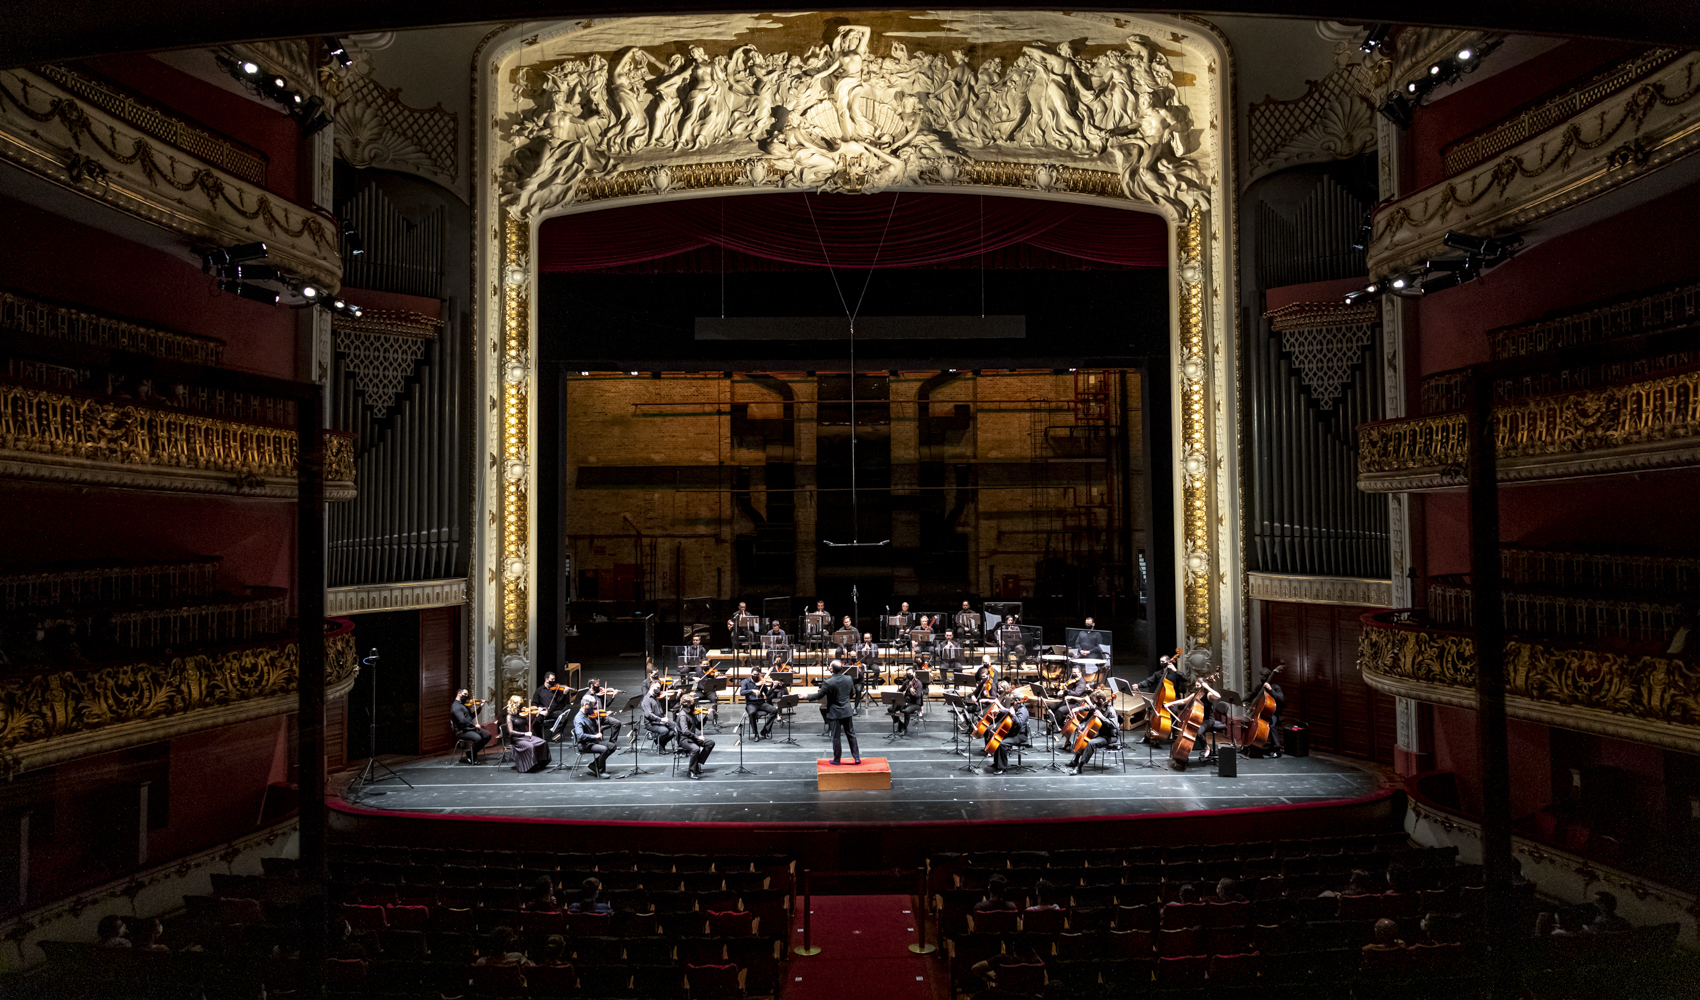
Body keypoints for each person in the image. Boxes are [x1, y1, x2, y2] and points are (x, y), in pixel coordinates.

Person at [807, 660, 860, 765]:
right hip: (846, 711)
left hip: (835, 713)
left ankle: (837, 759)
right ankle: (857, 758)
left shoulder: (828, 682)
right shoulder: (849, 679)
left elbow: (819, 696)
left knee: (836, 737)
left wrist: (806, 696)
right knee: (851, 734)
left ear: (831, 669)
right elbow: (852, 693)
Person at [1065, 688, 1119, 775]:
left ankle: (1079, 767)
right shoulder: (1099, 706)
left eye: (1095, 701)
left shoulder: (1110, 710)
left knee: (1090, 743)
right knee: (1083, 737)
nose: (1094, 703)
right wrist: (1078, 708)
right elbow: (1090, 707)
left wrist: (1101, 717)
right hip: (1101, 733)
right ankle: (1075, 761)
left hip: (1109, 736)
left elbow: (1114, 725)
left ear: (1101, 700)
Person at [501, 695, 551, 773]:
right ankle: (530, 765)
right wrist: (525, 733)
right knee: (530, 746)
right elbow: (511, 732)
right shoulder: (509, 716)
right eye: (520, 704)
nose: (522, 706)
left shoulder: (522, 714)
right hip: (517, 739)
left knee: (543, 742)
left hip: (525, 737)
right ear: (515, 705)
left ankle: (540, 763)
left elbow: (530, 724)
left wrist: (536, 716)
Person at [986, 684, 1028, 775]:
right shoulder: (1016, 707)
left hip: (1020, 735)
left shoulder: (1023, 711)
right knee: (996, 737)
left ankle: (1002, 768)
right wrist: (999, 711)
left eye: (1014, 701)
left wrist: (1013, 715)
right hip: (1014, 732)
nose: (1013, 703)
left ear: (1018, 701)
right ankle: (996, 763)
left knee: (1002, 744)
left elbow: (1019, 723)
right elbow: (1008, 710)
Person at [572, 695, 616, 778]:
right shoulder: (579, 719)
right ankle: (599, 770)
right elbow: (580, 736)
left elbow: (596, 726)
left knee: (612, 746)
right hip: (585, 744)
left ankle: (594, 765)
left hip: (593, 741)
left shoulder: (589, 714)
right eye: (592, 706)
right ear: (585, 705)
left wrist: (601, 719)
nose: (593, 708)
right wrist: (594, 736)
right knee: (604, 749)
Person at [674, 692, 716, 779]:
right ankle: (691, 771)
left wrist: (706, 715)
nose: (694, 704)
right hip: (684, 739)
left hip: (692, 737)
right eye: (692, 703)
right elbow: (685, 731)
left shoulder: (691, 713)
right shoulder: (683, 715)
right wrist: (697, 737)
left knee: (710, 743)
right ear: (688, 704)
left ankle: (696, 764)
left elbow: (699, 726)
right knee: (695, 749)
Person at [451, 689, 491, 764]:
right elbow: (462, 720)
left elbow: (471, 716)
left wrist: (480, 707)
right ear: (459, 693)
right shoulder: (456, 706)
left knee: (487, 735)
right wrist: (474, 726)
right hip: (461, 731)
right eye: (465, 694)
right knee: (478, 738)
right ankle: (472, 756)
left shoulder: (463, 705)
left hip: (469, 728)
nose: (467, 696)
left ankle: (471, 753)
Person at [739, 669, 780, 739]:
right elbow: (742, 692)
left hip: (761, 703)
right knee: (752, 713)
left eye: (757, 675)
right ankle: (756, 734)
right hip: (751, 704)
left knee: (774, 710)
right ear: (751, 673)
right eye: (754, 674)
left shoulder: (761, 682)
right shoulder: (745, 681)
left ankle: (765, 731)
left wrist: (773, 687)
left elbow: (767, 694)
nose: (756, 676)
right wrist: (752, 690)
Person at [640, 681, 676, 752]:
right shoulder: (646, 700)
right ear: (651, 687)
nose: (658, 690)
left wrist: (664, 717)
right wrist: (661, 719)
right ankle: (659, 742)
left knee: (675, 728)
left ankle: (660, 743)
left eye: (659, 688)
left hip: (659, 721)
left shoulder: (655, 697)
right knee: (665, 731)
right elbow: (649, 714)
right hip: (651, 723)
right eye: (657, 688)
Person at [890, 667, 924, 734]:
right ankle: (900, 724)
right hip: (905, 702)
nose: (908, 675)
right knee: (891, 709)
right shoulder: (906, 682)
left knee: (906, 711)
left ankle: (905, 728)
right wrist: (900, 694)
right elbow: (899, 690)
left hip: (915, 704)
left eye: (910, 674)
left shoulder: (918, 683)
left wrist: (912, 693)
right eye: (907, 674)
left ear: (914, 673)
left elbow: (918, 696)